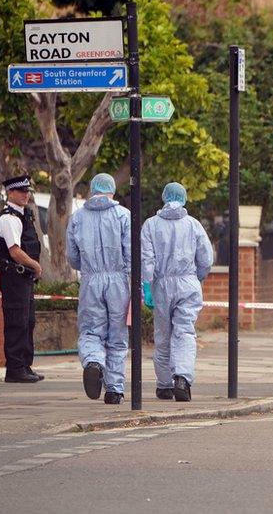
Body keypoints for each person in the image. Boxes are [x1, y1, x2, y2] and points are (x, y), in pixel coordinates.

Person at [142, 182, 213, 402]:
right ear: (184, 198)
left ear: (164, 198)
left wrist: (147, 285)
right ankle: (182, 378)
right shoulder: (194, 225)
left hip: (162, 285)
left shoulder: (150, 225)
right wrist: (197, 277)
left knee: (163, 334)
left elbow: (146, 260)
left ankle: (164, 385)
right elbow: (206, 259)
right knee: (184, 332)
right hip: (188, 283)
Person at [66, 173, 131, 405]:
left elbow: (72, 257)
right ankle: (114, 389)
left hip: (91, 280)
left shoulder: (77, 218)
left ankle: (93, 361)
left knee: (91, 330)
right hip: (118, 282)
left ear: (92, 189)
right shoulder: (124, 216)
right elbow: (131, 254)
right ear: (112, 191)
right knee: (117, 336)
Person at [0, 175, 43, 384]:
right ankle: (14, 369)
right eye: (21, 191)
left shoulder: (23, 216)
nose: (26, 195)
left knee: (27, 322)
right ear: (10, 193)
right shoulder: (9, 218)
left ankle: (24, 365)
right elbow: (15, 251)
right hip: (14, 277)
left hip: (24, 278)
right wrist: (36, 265)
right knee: (17, 322)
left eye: (28, 191)